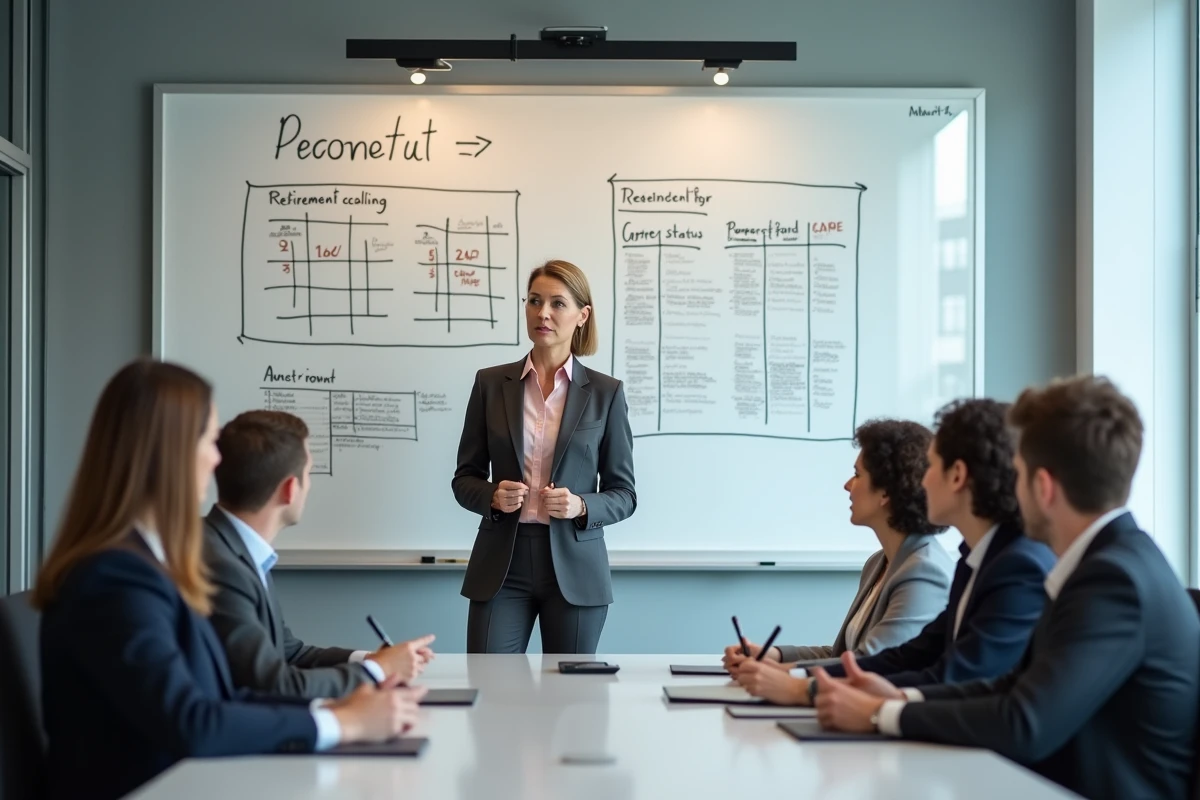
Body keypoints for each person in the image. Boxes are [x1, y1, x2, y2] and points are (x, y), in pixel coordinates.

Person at [32, 359, 425, 800]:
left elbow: (224, 695)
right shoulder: (115, 576)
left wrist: (340, 707)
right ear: (170, 451)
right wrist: (344, 722)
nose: (218, 458)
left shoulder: (153, 563)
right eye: (208, 439)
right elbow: (192, 721)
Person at [811, 376, 1199, 800]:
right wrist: (899, 699)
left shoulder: (1113, 580)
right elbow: (1014, 685)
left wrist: (880, 714)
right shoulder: (1107, 562)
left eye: (1016, 474)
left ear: (1043, 487)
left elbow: (1025, 721)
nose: (1006, 490)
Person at [733, 399, 1054, 704]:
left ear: (956, 475)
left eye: (931, 466)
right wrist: (791, 674)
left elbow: (955, 678)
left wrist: (803, 688)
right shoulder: (974, 559)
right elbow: (911, 656)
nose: (921, 481)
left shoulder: (1011, 565)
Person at [452, 259, 636, 654]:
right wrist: (492, 497)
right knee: (492, 689)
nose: (543, 313)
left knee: (572, 701)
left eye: (557, 303)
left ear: (582, 315)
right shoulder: (490, 384)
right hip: (503, 564)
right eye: (534, 301)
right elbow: (464, 479)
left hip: (575, 568)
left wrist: (581, 505)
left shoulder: (606, 393)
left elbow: (624, 494)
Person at [203, 409, 436, 698]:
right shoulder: (219, 563)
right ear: (290, 489)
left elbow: (289, 653)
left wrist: (373, 661)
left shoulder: (237, 549)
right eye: (308, 475)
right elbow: (273, 685)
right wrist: (377, 673)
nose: (309, 485)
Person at [724, 420, 953, 671]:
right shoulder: (878, 562)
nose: (847, 485)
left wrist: (779, 673)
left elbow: (870, 665)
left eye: (857, 475)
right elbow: (843, 655)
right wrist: (774, 656)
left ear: (885, 492)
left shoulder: (924, 573)